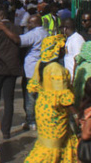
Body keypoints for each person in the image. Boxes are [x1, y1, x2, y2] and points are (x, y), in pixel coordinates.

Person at [24, 34, 78, 163]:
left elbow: (34, 87)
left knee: (48, 142)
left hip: (43, 109)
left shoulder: (41, 64)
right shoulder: (57, 70)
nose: (64, 50)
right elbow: (63, 97)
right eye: (62, 48)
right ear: (56, 50)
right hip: (55, 112)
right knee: (53, 146)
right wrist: (77, 115)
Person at [0, 9, 22, 139]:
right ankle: (6, 131)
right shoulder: (17, 28)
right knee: (9, 100)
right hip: (12, 68)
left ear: (1, 15)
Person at [17, 14, 49, 131]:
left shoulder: (34, 34)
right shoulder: (46, 33)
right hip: (42, 68)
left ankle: (31, 120)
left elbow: (19, 40)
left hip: (31, 70)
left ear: (35, 23)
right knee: (40, 95)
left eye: (30, 22)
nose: (28, 25)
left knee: (30, 96)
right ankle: (40, 118)